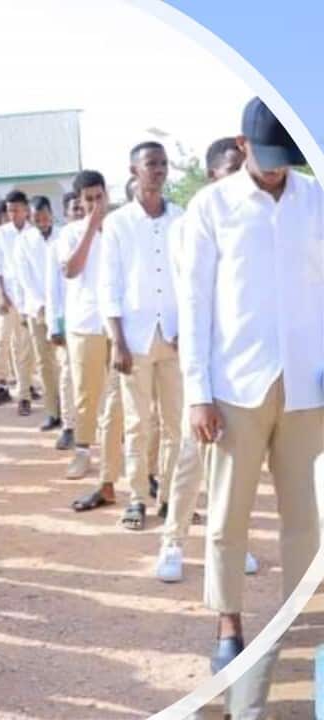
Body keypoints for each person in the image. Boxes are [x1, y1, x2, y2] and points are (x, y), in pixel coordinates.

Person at [177, 98, 323, 676]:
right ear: (242, 146)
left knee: (306, 515)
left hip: (309, 383)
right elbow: (194, 302)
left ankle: (299, 618)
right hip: (235, 385)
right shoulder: (211, 206)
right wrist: (197, 391)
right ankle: (229, 622)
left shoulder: (315, 200)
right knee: (228, 513)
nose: (276, 169)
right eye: (266, 158)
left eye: (286, 160)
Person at [155, 137, 256, 582]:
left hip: (245, 364)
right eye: (230, 169)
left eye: (242, 167)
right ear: (212, 174)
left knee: (238, 466)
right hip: (203, 361)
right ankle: (172, 542)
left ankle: (234, 544)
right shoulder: (191, 223)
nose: (239, 177)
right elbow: (187, 299)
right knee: (192, 457)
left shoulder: (258, 220)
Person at [98, 141, 185, 531]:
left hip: (176, 334)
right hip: (134, 338)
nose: (159, 170)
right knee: (137, 423)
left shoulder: (182, 218)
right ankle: (136, 497)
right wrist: (116, 340)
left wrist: (191, 329)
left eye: (163, 164)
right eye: (151, 164)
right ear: (134, 170)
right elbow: (109, 285)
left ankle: (170, 496)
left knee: (177, 423)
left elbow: (191, 278)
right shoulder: (117, 224)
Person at [60, 170, 126, 511]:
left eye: (99, 197)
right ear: (79, 201)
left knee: (119, 396)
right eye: (88, 199)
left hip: (118, 325)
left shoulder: (120, 229)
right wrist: (89, 227)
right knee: (87, 392)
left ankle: (116, 456)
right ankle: (83, 452)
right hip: (84, 323)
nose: (95, 204)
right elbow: (71, 270)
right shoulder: (70, 233)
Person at [13, 195, 63, 432]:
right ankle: (53, 412)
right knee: (45, 363)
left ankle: (70, 412)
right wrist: (35, 307)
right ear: (31, 219)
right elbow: (24, 278)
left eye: (44, 217)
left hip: (63, 308)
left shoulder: (63, 235)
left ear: (51, 214)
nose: (42, 222)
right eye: (36, 219)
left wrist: (57, 304)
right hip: (38, 309)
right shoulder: (24, 241)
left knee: (66, 362)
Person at [0, 190, 38, 417]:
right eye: (9, 210)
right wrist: (2, 295)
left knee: (27, 347)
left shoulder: (35, 232)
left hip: (31, 299)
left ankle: (26, 389)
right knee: (9, 343)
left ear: (26, 209)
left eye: (17, 209)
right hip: (9, 297)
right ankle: (15, 390)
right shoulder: (1, 235)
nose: (13, 214)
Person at [46, 192, 84, 452]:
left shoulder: (102, 238)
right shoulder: (59, 244)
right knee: (69, 375)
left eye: (83, 208)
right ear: (66, 214)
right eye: (75, 210)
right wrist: (54, 325)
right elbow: (53, 289)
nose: (81, 213)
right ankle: (70, 426)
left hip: (97, 324)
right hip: (69, 320)